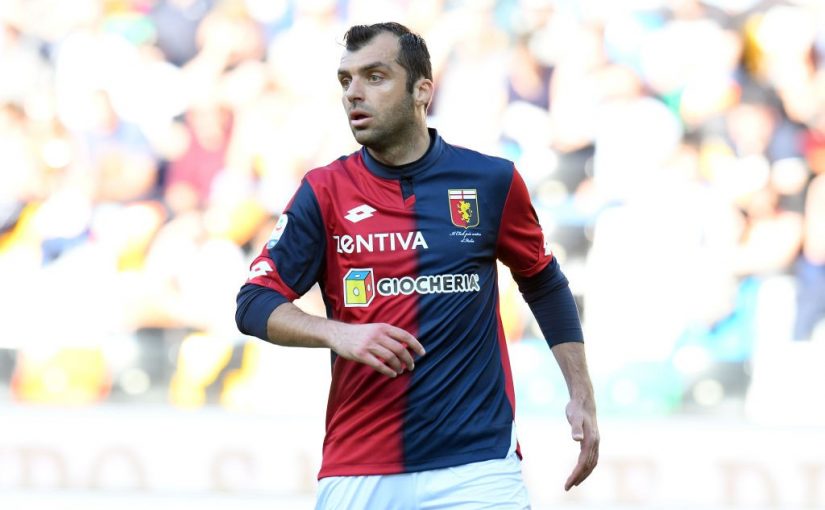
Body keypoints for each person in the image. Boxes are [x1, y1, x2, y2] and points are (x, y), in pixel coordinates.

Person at [235, 22, 599, 509]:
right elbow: (254, 303)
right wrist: (338, 334)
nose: (354, 93)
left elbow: (543, 282)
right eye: (346, 80)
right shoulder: (324, 191)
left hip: (478, 467)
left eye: (375, 76)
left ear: (422, 90)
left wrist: (581, 392)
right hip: (361, 466)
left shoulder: (489, 181)